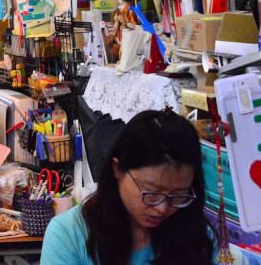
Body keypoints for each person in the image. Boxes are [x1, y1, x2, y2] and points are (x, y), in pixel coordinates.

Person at [41, 108, 214, 265]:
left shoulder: (197, 235)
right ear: (117, 169)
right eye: (152, 192)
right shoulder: (68, 235)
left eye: (178, 195)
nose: (162, 208)